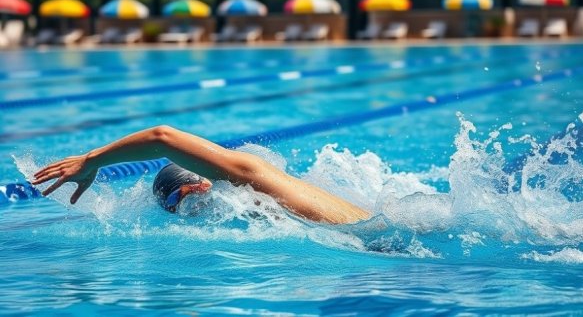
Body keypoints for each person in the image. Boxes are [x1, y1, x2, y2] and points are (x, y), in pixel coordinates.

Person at [32, 125, 371, 224]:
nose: (189, 209)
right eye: (174, 208)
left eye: (182, 198)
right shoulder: (258, 207)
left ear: (202, 181)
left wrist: (91, 160)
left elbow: (161, 137)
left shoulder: (246, 174)